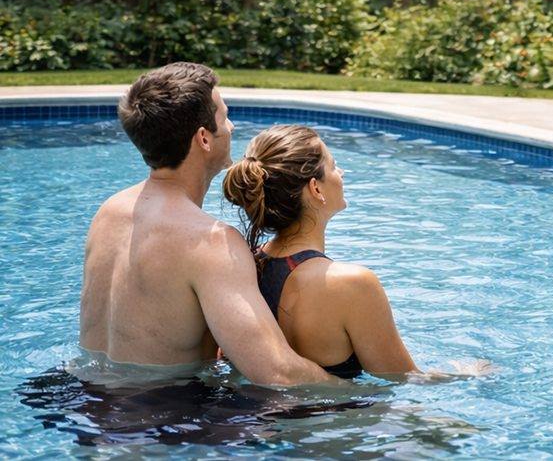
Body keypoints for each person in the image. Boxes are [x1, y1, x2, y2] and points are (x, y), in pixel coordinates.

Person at [80, 63, 335, 385]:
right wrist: (361, 394)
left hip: (81, 396)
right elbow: (275, 372)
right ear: (203, 138)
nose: (230, 126)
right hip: (155, 418)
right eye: (224, 116)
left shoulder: (109, 211)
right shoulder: (210, 241)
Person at [223, 125, 420, 379]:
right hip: (338, 418)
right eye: (333, 166)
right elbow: (405, 380)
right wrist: (470, 375)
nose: (341, 172)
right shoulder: (352, 284)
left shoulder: (243, 265)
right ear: (316, 189)